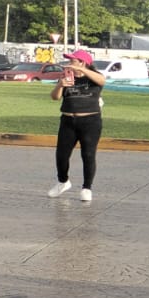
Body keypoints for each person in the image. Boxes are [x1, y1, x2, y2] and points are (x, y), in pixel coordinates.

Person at [47, 50, 106, 201]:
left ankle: (87, 188)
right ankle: (63, 182)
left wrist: (82, 70)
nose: (69, 64)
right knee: (61, 155)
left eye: (72, 61)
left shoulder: (93, 77)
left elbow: (102, 81)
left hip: (90, 121)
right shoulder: (67, 77)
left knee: (88, 154)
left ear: (82, 62)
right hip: (68, 120)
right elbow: (55, 97)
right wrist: (60, 85)